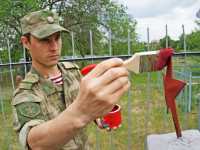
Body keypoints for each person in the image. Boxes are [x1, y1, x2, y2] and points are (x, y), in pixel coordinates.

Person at [12, 10, 130, 150]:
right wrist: (82, 113)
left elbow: (86, 103)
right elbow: (36, 142)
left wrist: (98, 117)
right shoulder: (25, 92)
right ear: (26, 43)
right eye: (45, 40)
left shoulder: (72, 71)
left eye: (57, 38)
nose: (54, 47)